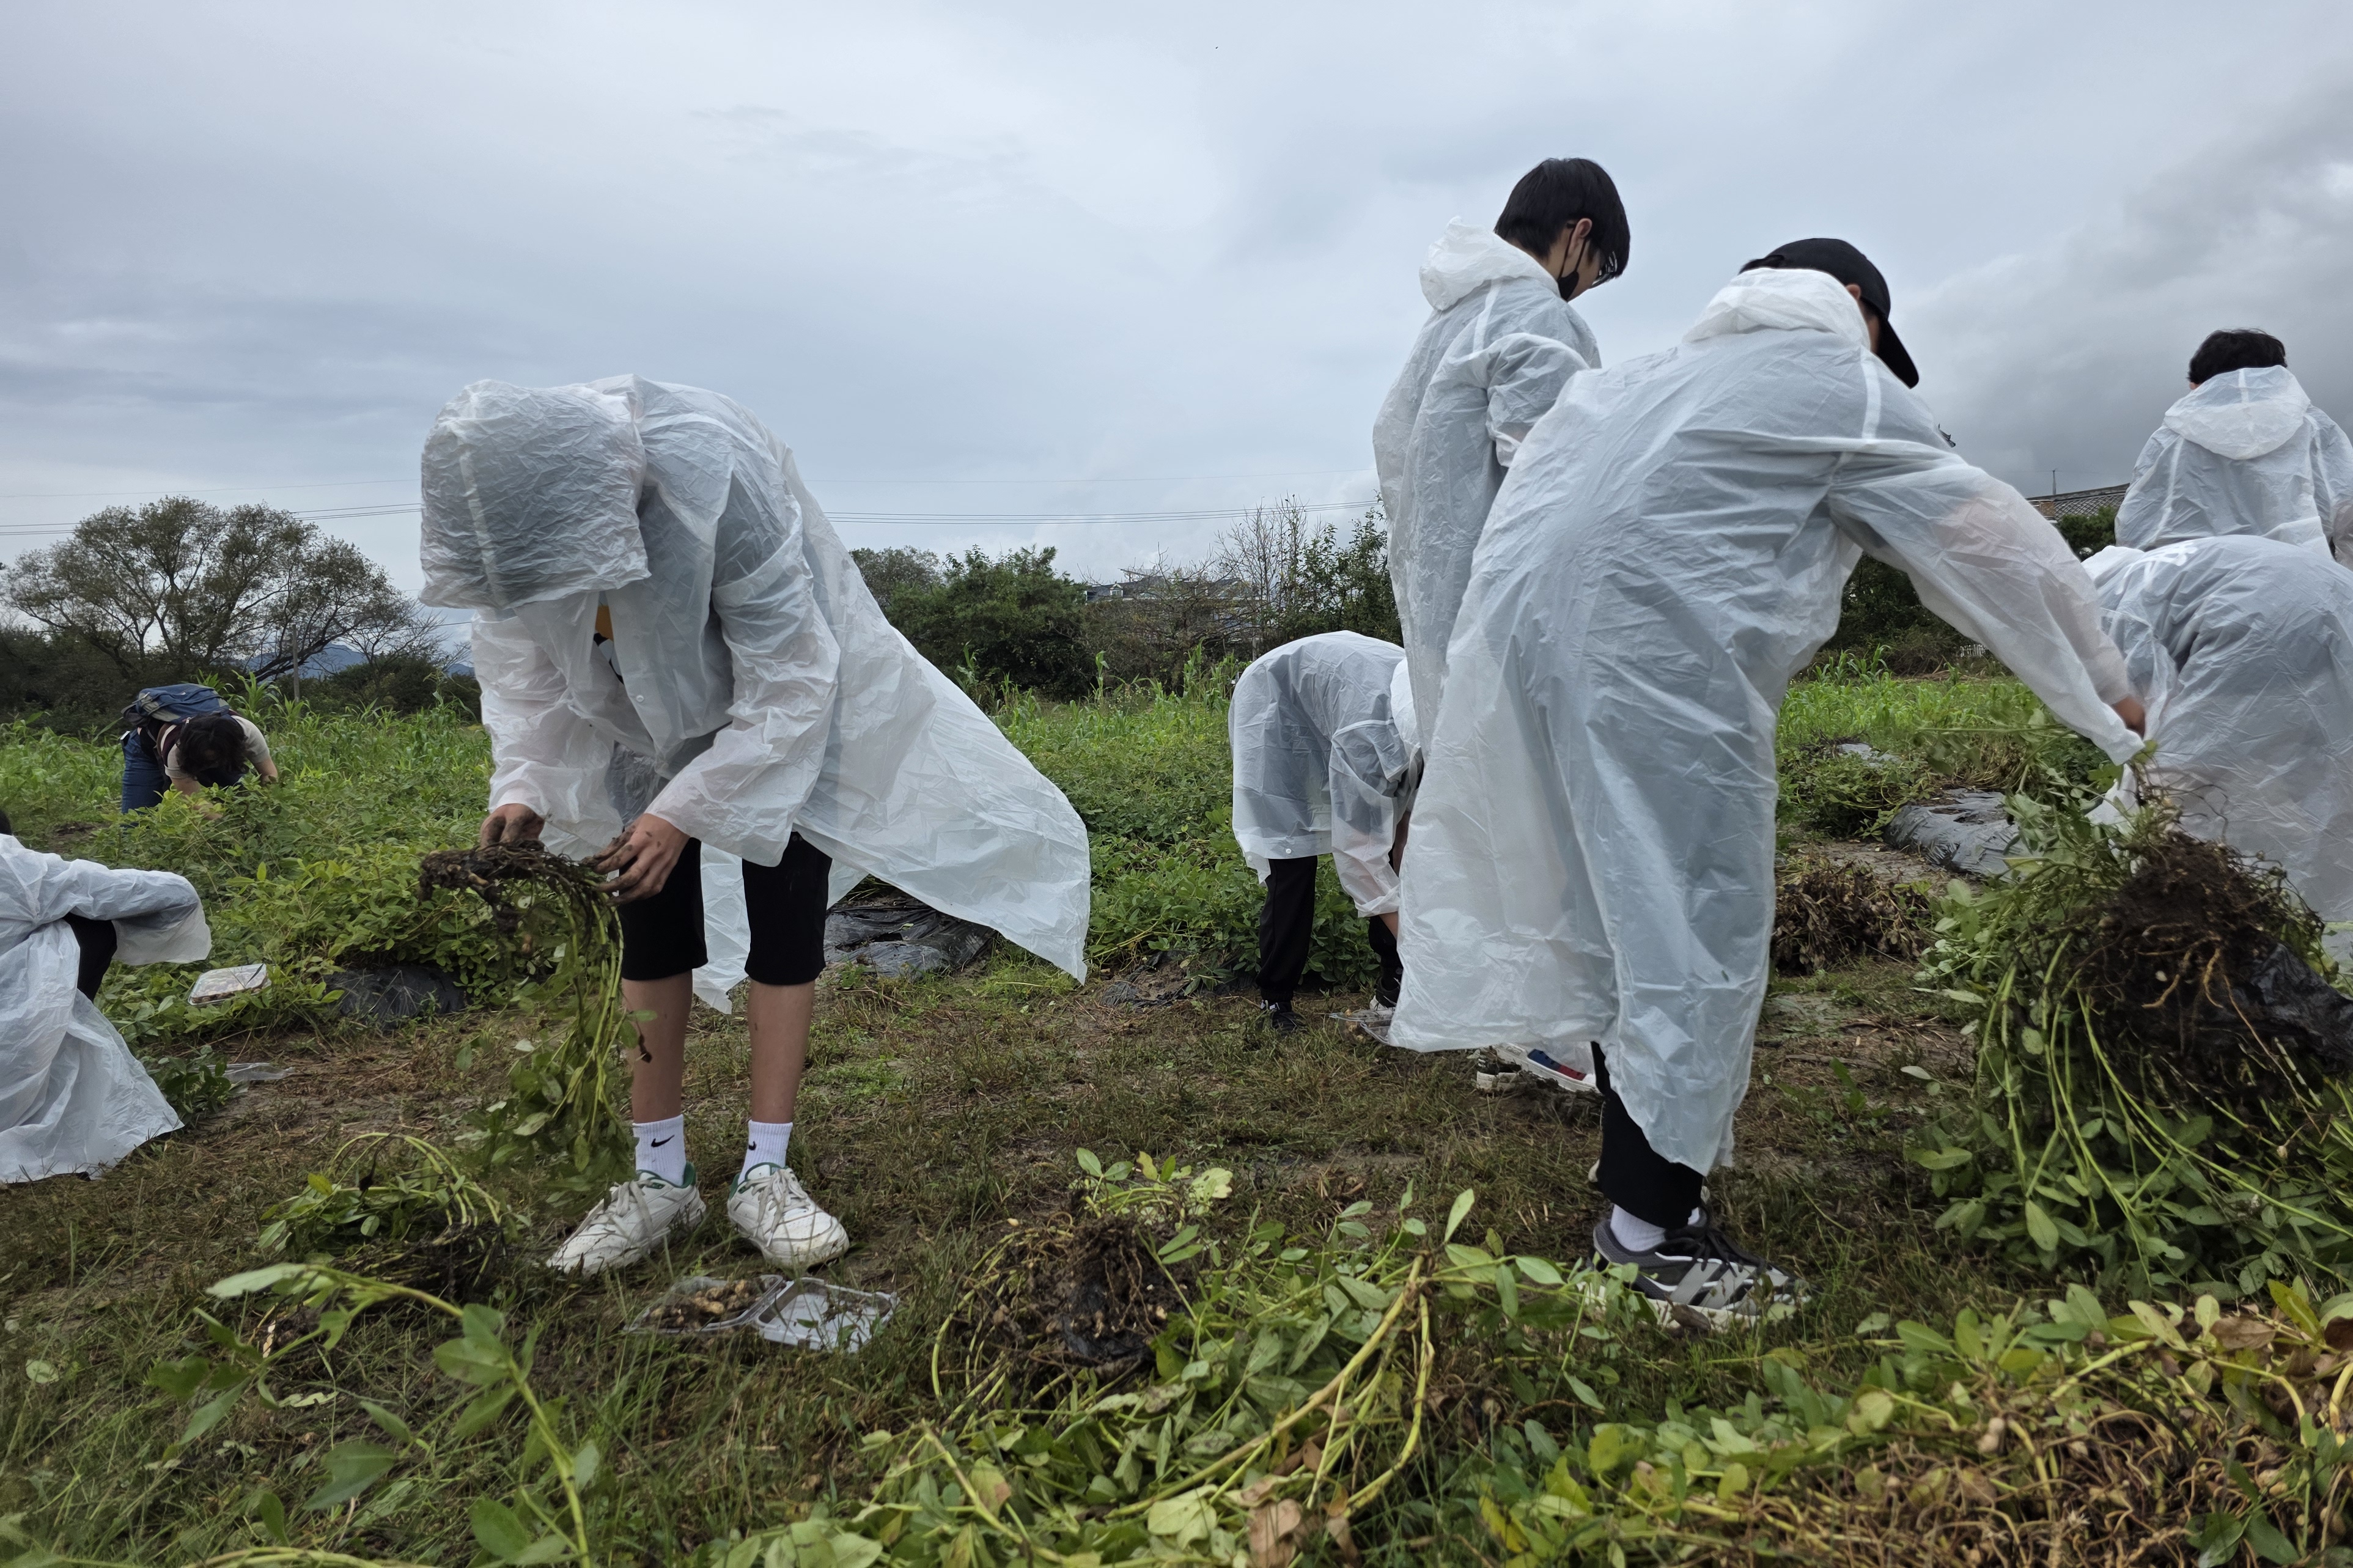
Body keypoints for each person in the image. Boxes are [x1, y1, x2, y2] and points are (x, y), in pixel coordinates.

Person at [1390, 240, 2147, 1323]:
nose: (1880, 359)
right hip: (1657, 678)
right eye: (1882, 336)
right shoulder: (1832, 376)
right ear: (1851, 306)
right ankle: (1649, 1242)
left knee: (1624, 924)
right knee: (1693, 926)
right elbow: (1988, 538)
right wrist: (2112, 692)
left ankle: (1639, 1202)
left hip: (1527, 670)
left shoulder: (1646, 380)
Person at [419, 377, 1092, 1277]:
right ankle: (660, 1178)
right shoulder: (505, 519)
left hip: (787, 698)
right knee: (645, 917)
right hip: (632, 719)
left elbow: (789, 678)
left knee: (785, 911)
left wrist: (687, 809)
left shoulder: (714, 482)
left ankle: (766, 1174)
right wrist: (528, 783)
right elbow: (523, 674)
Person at [2085, 534, 2353, 1011]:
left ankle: (2180, 966)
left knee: (2184, 805)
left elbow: (2147, 730)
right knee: (2331, 784)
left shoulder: (2101, 614)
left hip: (2255, 628)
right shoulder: (2157, 574)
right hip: (2340, 611)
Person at [1373, 158, 1628, 749]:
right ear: (1578, 235)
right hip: (1510, 625)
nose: (1585, 287)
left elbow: (1393, 447)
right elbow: (1551, 487)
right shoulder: (1540, 317)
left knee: (1470, 805)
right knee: (1526, 816)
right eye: (1593, 270)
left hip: (1444, 620)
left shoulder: (1447, 324)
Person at [2116, 328, 2353, 593]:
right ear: (2278, 379)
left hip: (2195, 601)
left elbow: (2137, 533)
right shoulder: (2313, 429)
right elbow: (2352, 521)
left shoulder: (2171, 440)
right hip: (2303, 593)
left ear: (2198, 385)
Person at [0, 807, 215, 1182]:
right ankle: (48, 1065)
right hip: (12, 1041)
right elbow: (168, 893)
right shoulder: (13, 866)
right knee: (85, 925)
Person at [1227, 631, 1418, 1034]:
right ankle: (1275, 1000)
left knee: (1400, 857)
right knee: (1291, 857)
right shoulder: (1371, 737)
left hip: (1348, 701)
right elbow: (1357, 853)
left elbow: (1406, 838)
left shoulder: (1437, 731)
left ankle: (1394, 988)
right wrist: (1420, 947)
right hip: (1275, 706)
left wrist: (1413, 931)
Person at [120, 683, 278, 814]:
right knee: (137, 818)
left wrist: (266, 807)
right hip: (146, 751)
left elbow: (270, 775)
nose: (211, 762)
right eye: (208, 758)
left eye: (215, 758)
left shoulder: (247, 732)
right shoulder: (175, 751)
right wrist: (225, 828)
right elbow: (193, 799)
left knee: (243, 797)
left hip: (221, 748)